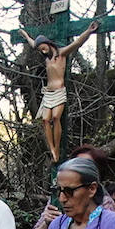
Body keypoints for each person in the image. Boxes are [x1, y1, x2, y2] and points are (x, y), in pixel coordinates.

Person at [19, 21, 100, 159]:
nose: (41, 50)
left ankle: (57, 148)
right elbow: (33, 43)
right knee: (45, 120)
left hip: (59, 91)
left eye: (43, 47)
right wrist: (25, 34)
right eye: (39, 49)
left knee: (56, 118)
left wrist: (88, 31)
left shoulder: (61, 54)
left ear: (48, 43)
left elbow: (77, 43)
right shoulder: (46, 58)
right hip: (48, 93)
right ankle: (52, 149)